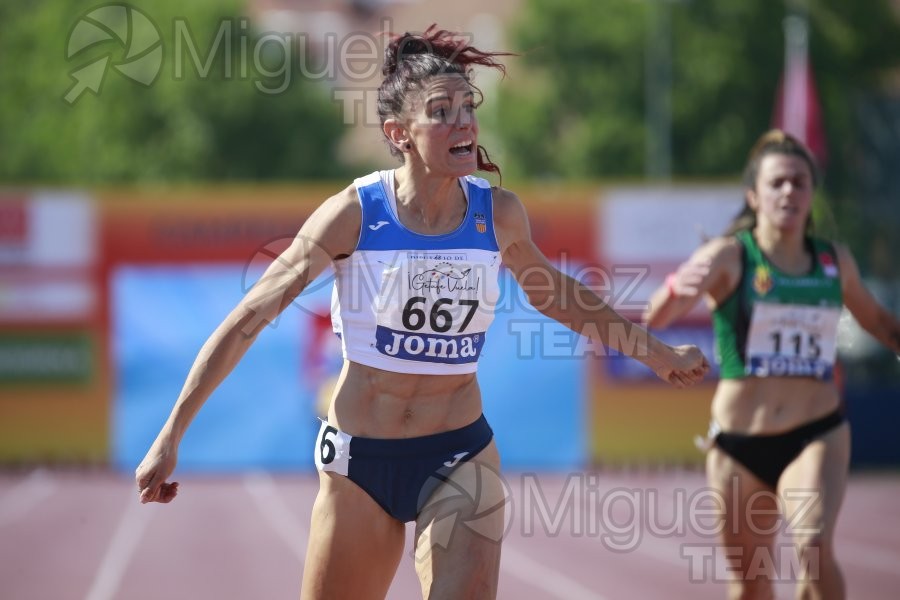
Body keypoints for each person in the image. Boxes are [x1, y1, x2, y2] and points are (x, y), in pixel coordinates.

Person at [135, 25, 710, 600]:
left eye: (468, 107)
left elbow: (558, 295)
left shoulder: (498, 216)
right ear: (399, 133)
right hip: (362, 460)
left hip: (458, 452)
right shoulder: (353, 214)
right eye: (442, 111)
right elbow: (248, 319)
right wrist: (170, 434)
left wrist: (654, 352)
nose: (464, 122)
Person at [644, 130, 900, 600]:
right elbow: (657, 316)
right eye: (778, 182)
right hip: (738, 446)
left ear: (812, 194)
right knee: (750, 583)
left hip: (815, 432)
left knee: (814, 547)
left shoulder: (832, 261)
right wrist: (681, 283)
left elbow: (880, 322)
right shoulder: (730, 255)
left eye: (799, 182)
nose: (789, 192)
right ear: (754, 196)